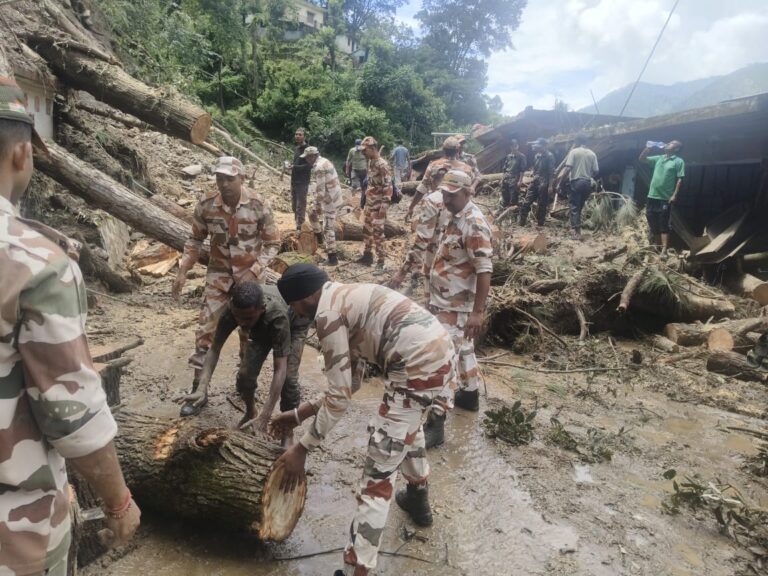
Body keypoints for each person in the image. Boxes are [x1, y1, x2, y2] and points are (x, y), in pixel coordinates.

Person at [0, 76, 140, 574]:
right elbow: (72, 417)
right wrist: (119, 503)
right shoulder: (33, 262)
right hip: (15, 530)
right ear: (22, 153)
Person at [268, 264, 457, 576]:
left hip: (415, 368)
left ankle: (358, 569)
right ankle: (418, 496)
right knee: (405, 425)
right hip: (439, 352)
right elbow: (351, 384)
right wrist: (300, 412)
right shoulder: (343, 297)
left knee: (377, 477)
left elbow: (339, 399)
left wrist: (302, 448)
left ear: (303, 299)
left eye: (295, 307)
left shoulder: (327, 316)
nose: (297, 314)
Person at [172, 156, 280, 416]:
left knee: (249, 335)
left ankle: (245, 385)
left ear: (242, 178)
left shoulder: (258, 205)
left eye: (230, 178)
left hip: (251, 280)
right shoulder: (207, 205)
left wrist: (254, 271)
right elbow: (194, 239)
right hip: (219, 277)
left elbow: (274, 243)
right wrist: (183, 269)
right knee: (205, 332)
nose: (224, 183)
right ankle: (199, 390)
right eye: (220, 178)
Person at [178, 282, 309, 434]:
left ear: (262, 309)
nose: (241, 323)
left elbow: (280, 368)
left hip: (295, 321)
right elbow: (214, 349)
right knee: (245, 376)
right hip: (261, 327)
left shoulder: (277, 316)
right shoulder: (233, 311)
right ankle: (250, 412)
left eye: (247, 318)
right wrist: (202, 387)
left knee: (289, 380)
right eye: (237, 317)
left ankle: (287, 431)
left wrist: (265, 415)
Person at [429, 170, 493, 414]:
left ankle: (437, 417)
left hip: (457, 306)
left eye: (452, 196)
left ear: (468, 193)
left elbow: (484, 270)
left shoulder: (474, 224)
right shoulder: (455, 214)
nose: (446, 200)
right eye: (444, 194)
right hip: (445, 300)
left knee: (443, 358)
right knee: (464, 348)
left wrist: (478, 312)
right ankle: (469, 395)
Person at [388, 167, 450, 300]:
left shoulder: (433, 200)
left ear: (432, 181)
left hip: (436, 260)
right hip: (455, 262)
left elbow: (422, 240)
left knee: (434, 301)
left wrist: (402, 271)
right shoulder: (462, 198)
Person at [404, 136, 474, 223]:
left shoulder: (434, 165)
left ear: (443, 149)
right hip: (458, 208)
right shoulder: (467, 168)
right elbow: (469, 191)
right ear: (457, 150)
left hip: (436, 206)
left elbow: (422, 188)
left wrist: (411, 207)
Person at [640, 140, 684, 255]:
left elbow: (680, 179)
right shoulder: (659, 158)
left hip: (665, 198)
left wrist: (674, 195)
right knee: (651, 218)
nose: (668, 143)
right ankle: (657, 245)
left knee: (663, 222)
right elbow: (642, 159)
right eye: (668, 142)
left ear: (676, 149)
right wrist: (648, 148)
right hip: (652, 195)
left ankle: (664, 249)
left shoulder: (678, 161)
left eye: (672, 143)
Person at [356, 136, 392, 270]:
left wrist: (384, 204)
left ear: (372, 148)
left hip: (378, 204)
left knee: (377, 232)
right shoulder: (371, 161)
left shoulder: (382, 164)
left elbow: (388, 185)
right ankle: (367, 255)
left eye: (365, 150)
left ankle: (381, 261)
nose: (363, 153)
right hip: (370, 202)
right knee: (367, 229)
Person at [303, 146, 342, 266]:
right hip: (334, 195)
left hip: (330, 199)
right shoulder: (324, 160)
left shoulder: (319, 167)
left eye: (307, 158)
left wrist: (316, 205)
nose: (306, 160)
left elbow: (320, 191)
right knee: (312, 213)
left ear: (312, 156)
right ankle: (320, 239)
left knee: (328, 228)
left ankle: (332, 257)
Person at [557, 134, 599, 239]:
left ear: (577, 142)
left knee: (574, 207)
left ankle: (576, 232)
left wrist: (560, 183)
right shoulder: (592, 154)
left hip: (576, 182)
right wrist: (588, 175)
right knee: (579, 206)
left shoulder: (574, 152)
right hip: (587, 183)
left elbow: (567, 169)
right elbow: (596, 170)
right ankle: (577, 229)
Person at [519, 137, 555, 227]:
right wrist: (533, 176)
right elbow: (535, 169)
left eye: (538, 145)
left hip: (544, 182)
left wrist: (550, 186)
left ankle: (540, 224)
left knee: (542, 204)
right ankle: (521, 222)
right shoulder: (536, 156)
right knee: (527, 201)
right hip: (535, 180)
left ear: (543, 146)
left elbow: (551, 172)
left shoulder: (549, 156)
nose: (535, 146)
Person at [291, 128, 312, 229]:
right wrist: (292, 166)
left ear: (304, 137)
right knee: (294, 206)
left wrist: (295, 167)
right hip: (294, 181)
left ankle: (301, 228)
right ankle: (298, 224)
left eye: (300, 134)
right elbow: (296, 164)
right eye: (296, 134)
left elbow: (309, 166)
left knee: (301, 206)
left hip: (303, 182)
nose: (297, 136)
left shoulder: (308, 149)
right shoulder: (297, 148)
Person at [500, 138, 527, 208]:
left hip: (515, 178)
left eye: (515, 146)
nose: (513, 148)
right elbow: (505, 168)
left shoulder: (521, 156)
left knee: (513, 196)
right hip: (506, 177)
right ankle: (505, 211)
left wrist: (520, 181)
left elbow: (522, 170)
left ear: (517, 146)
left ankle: (513, 213)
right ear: (510, 147)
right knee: (505, 195)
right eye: (512, 146)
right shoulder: (509, 156)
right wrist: (502, 179)